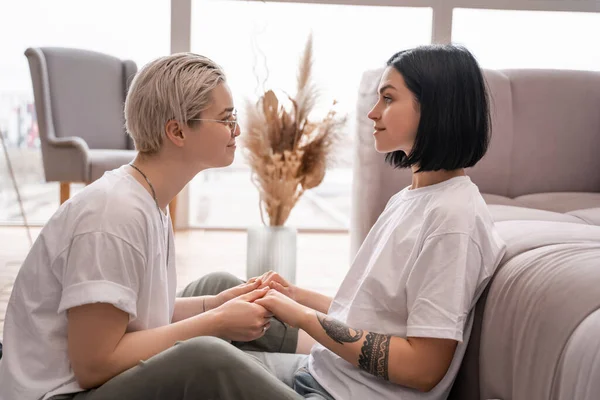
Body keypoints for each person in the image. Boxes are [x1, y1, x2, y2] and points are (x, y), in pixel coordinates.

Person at [163, 44, 508, 400]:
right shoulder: (412, 199)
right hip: (322, 373)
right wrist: (293, 296)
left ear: (436, 108)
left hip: (341, 394)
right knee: (218, 287)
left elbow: (423, 368)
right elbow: (369, 315)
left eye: (388, 99)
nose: (373, 113)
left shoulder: (453, 220)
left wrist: (300, 316)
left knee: (201, 358)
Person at [0, 53, 299, 400]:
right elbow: (94, 365)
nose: (237, 129)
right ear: (177, 131)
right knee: (206, 357)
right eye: (226, 118)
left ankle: (323, 359)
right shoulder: (113, 215)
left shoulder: (148, 199)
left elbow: (138, 314)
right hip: (60, 395)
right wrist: (215, 322)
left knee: (220, 286)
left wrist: (217, 304)